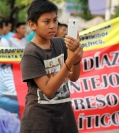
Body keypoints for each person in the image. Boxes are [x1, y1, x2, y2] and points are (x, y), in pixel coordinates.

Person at [20, 0, 83, 133]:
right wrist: (69, 62)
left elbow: (74, 77)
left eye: (55, 20)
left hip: (64, 117)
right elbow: (48, 90)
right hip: (39, 121)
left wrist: (76, 58)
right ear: (32, 24)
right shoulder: (31, 53)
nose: (52, 26)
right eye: (46, 21)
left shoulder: (60, 43)